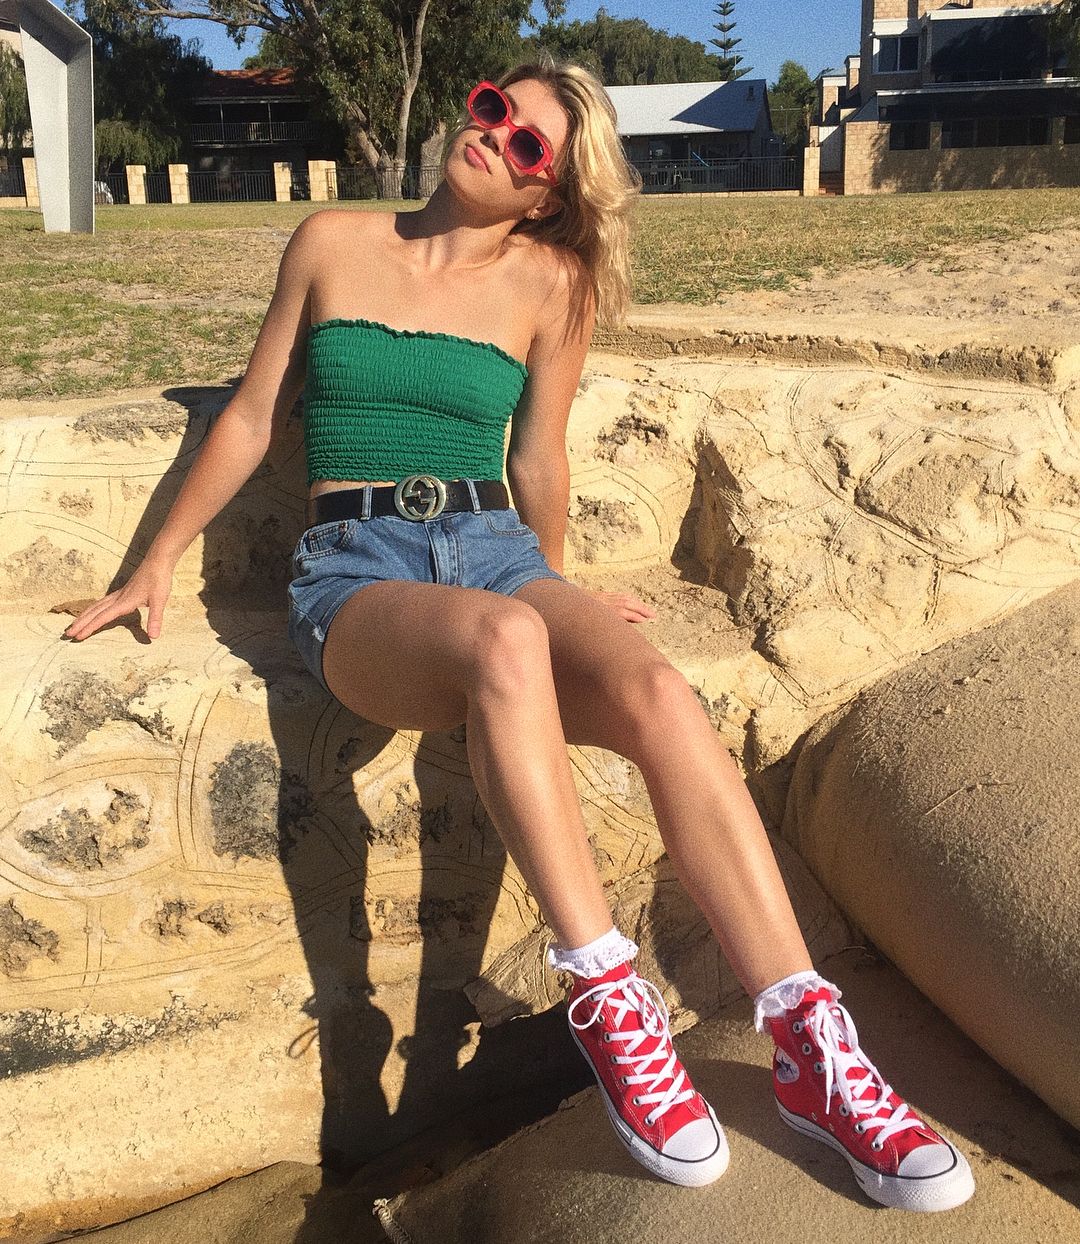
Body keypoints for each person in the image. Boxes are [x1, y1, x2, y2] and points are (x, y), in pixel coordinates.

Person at [63, 56, 975, 1211]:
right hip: (358, 566)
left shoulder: (553, 282)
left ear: (549, 193)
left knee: (655, 689)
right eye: (493, 107)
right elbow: (250, 417)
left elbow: (538, 456)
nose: (493, 135)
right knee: (503, 643)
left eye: (527, 143)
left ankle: (811, 1042)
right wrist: (154, 560)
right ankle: (610, 999)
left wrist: (562, 593)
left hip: (496, 551)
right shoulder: (332, 241)